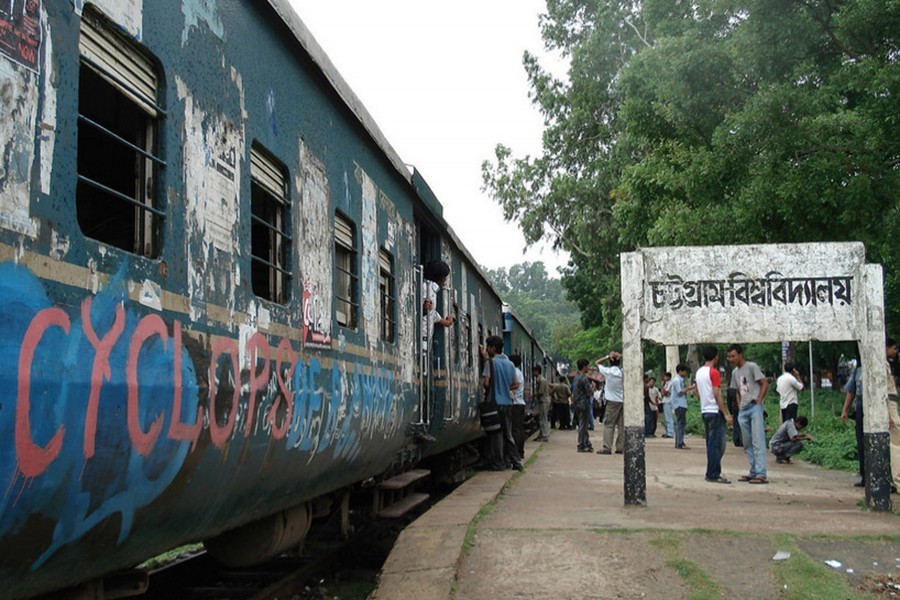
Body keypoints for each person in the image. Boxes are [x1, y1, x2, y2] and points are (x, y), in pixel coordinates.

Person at [727, 344, 770, 484]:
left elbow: (764, 383)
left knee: (758, 440)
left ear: (740, 354)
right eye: (729, 357)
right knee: (747, 442)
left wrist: (759, 400)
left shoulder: (752, 366)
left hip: (754, 407)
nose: (731, 359)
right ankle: (753, 470)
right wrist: (740, 406)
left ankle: (761, 472)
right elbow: (737, 390)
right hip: (743, 409)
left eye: (733, 356)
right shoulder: (735, 373)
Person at [481, 336, 522, 471]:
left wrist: (494, 386)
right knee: (508, 434)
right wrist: (505, 387)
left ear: (493, 348)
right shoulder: (510, 364)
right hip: (508, 403)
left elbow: (486, 383)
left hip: (495, 404)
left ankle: (498, 464)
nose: (487, 349)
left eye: (488, 347)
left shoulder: (490, 363)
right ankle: (516, 461)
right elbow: (515, 384)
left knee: (496, 435)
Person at [695, 346, 733, 483]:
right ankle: (713, 473)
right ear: (716, 357)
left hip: (705, 410)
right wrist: (726, 413)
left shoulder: (699, 372)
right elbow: (717, 394)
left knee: (711, 443)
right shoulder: (714, 373)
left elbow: (696, 391)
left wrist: (704, 401)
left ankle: (713, 470)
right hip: (714, 411)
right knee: (716, 444)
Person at [596, 351, 624, 454]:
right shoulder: (623, 372)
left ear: (610, 362)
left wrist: (608, 356)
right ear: (619, 362)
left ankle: (607, 447)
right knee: (621, 425)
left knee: (609, 424)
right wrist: (619, 355)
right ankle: (620, 447)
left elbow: (597, 363)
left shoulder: (607, 371)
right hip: (622, 401)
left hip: (611, 401)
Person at [571, 359, 594, 452]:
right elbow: (589, 393)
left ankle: (586, 443)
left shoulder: (576, 377)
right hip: (584, 403)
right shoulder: (584, 378)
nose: (588, 368)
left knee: (582, 423)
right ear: (584, 366)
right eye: (587, 366)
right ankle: (581, 444)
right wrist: (593, 388)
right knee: (583, 424)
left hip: (577, 403)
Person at [510, 354, 526, 460]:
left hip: (515, 403)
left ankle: (517, 453)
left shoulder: (514, 372)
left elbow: (513, 386)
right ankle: (520, 451)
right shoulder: (519, 372)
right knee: (520, 429)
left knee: (515, 429)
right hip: (521, 403)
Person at [671, 364, 690, 449]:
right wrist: (688, 389)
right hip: (679, 404)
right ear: (680, 371)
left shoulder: (679, 380)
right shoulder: (677, 381)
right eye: (684, 371)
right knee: (680, 424)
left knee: (681, 423)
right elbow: (679, 392)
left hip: (681, 404)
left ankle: (680, 441)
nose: (685, 373)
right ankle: (679, 442)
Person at [532, 365, 551, 442]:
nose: (533, 373)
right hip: (543, 401)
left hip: (544, 401)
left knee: (543, 419)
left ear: (537, 371)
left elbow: (541, 392)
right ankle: (541, 434)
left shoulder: (542, 380)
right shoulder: (540, 379)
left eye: (533, 371)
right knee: (542, 418)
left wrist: (533, 395)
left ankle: (545, 435)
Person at [660, 372, 674, 438]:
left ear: (668, 377)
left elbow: (666, 393)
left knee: (669, 417)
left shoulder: (670, 383)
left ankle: (670, 433)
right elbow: (662, 393)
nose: (664, 378)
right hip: (665, 401)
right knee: (666, 418)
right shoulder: (667, 383)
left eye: (665, 377)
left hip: (668, 401)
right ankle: (668, 431)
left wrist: (662, 386)